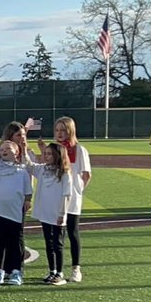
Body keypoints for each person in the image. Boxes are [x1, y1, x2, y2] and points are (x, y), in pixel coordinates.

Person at [46, 117, 91, 282]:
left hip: (72, 198)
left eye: (63, 130)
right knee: (56, 235)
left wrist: (78, 189)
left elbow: (86, 174)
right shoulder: (54, 149)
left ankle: (76, 268)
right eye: (57, 130)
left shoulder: (79, 150)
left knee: (72, 232)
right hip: (56, 198)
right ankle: (57, 270)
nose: (59, 133)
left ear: (70, 131)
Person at [0, 141, 32, 286]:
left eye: (8, 148)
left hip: (15, 211)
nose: (4, 151)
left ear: (17, 152)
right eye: (1, 149)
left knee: (15, 243)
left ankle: (16, 271)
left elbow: (27, 192)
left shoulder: (22, 171)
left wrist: (27, 201)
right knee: (1, 242)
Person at [29, 142, 72, 285]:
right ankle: (52, 270)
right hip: (45, 212)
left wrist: (62, 213)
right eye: (45, 153)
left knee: (57, 244)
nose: (46, 156)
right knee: (48, 242)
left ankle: (60, 272)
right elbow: (28, 165)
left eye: (49, 154)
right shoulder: (42, 169)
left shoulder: (64, 173)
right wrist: (23, 148)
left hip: (57, 213)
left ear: (58, 156)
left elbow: (66, 195)